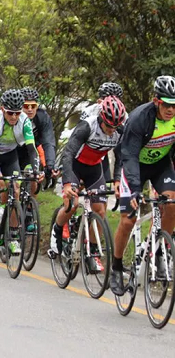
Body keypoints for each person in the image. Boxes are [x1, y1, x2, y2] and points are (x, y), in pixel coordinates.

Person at [110, 76, 175, 296]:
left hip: (160, 166)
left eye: (174, 105)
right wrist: (136, 190)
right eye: (167, 104)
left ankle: (160, 251)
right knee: (128, 219)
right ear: (156, 101)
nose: (170, 110)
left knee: (172, 203)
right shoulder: (140, 118)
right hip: (135, 165)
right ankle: (117, 267)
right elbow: (128, 156)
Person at [50, 96, 126, 273]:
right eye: (108, 126)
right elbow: (68, 154)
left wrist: (117, 180)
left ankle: (92, 253)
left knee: (99, 209)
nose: (111, 130)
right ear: (101, 119)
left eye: (115, 127)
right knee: (73, 204)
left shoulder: (119, 131)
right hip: (75, 166)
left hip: (94, 168)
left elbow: (121, 157)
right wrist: (68, 183)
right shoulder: (87, 126)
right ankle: (57, 230)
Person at [0, 89, 43, 254]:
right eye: (10, 113)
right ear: (2, 109)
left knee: (16, 189)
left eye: (17, 113)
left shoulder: (25, 121)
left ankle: (13, 236)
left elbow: (32, 150)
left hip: (9, 155)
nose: (14, 117)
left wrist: (36, 170)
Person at [20, 87, 59, 187]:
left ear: (37, 106)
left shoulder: (43, 118)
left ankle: (30, 202)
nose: (29, 110)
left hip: (30, 152)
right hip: (13, 150)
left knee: (34, 181)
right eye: (26, 106)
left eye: (33, 106)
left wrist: (50, 165)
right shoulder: (13, 116)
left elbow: (48, 142)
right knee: (10, 185)